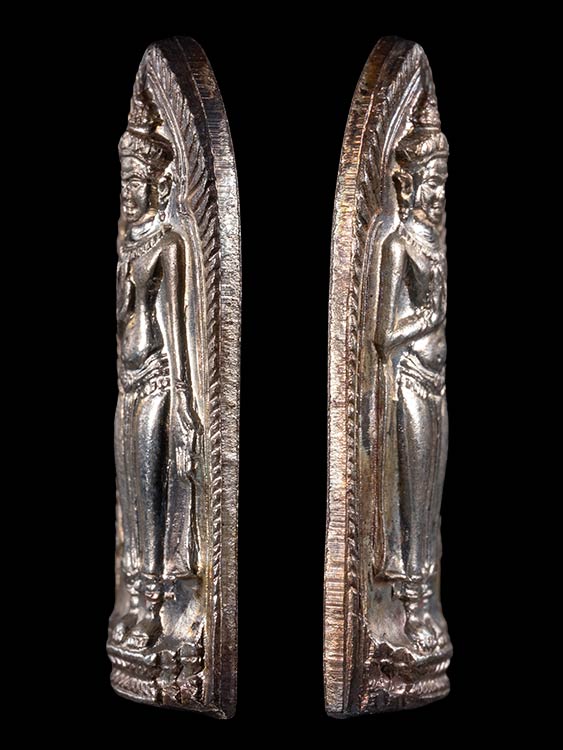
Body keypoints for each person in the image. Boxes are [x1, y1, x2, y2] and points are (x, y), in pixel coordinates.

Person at [111, 93, 202, 649]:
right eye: (124, 180)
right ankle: (136, 596)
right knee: (130, 492)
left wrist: (188, 400)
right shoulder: (129, 242)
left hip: (158, 385)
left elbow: (178, 328)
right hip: (128, 386)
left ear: (159, 185)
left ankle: (153, 603)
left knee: (151, 496)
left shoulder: (168, 245)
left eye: (137, 180)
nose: (128, 191)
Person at [374, 102, 449, 652]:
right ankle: (413, 605)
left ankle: (421, 603)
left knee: (429, 498)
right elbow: (382, 331)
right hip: (409, 383)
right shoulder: (398, 245)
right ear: (408, 185)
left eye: (444, 183)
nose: (439, 193)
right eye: (432, 182)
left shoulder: (433, 242)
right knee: (412, 500)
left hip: (434, 384)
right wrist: (426, 317)